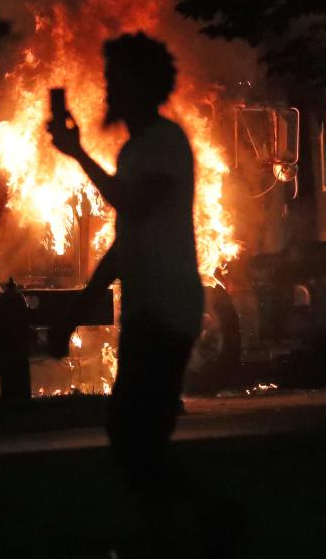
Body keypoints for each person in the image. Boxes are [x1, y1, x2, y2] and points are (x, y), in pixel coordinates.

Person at [47, 32, 204, 498]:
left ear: (142, 84)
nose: (109, 90)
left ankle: (209, 516)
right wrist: (76, 313)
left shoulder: (162, 142)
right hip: (149, 309)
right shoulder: (136, 151)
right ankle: (198, 521)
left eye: (116, 80)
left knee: (137, 437)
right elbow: (124, 245)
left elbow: (129, 204)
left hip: (167, 308)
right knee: (133, 437)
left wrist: (76, 153)